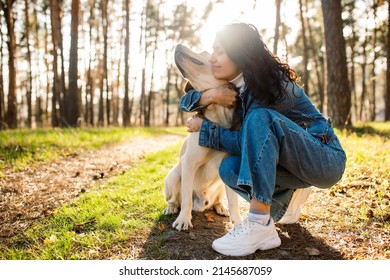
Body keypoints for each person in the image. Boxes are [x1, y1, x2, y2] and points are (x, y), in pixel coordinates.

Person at [179, 22, 347, 257]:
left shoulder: (269, 84)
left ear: (240, 53)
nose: (213, 58)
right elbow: (186, 100)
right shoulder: (237, 86)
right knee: (229, 168)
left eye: (220, 51)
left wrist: (206, 130)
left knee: (259, 119)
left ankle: (259, 224)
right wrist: (211, 95)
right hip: (292, 162)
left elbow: (250, 142)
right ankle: (288, 199)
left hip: (324, 158)